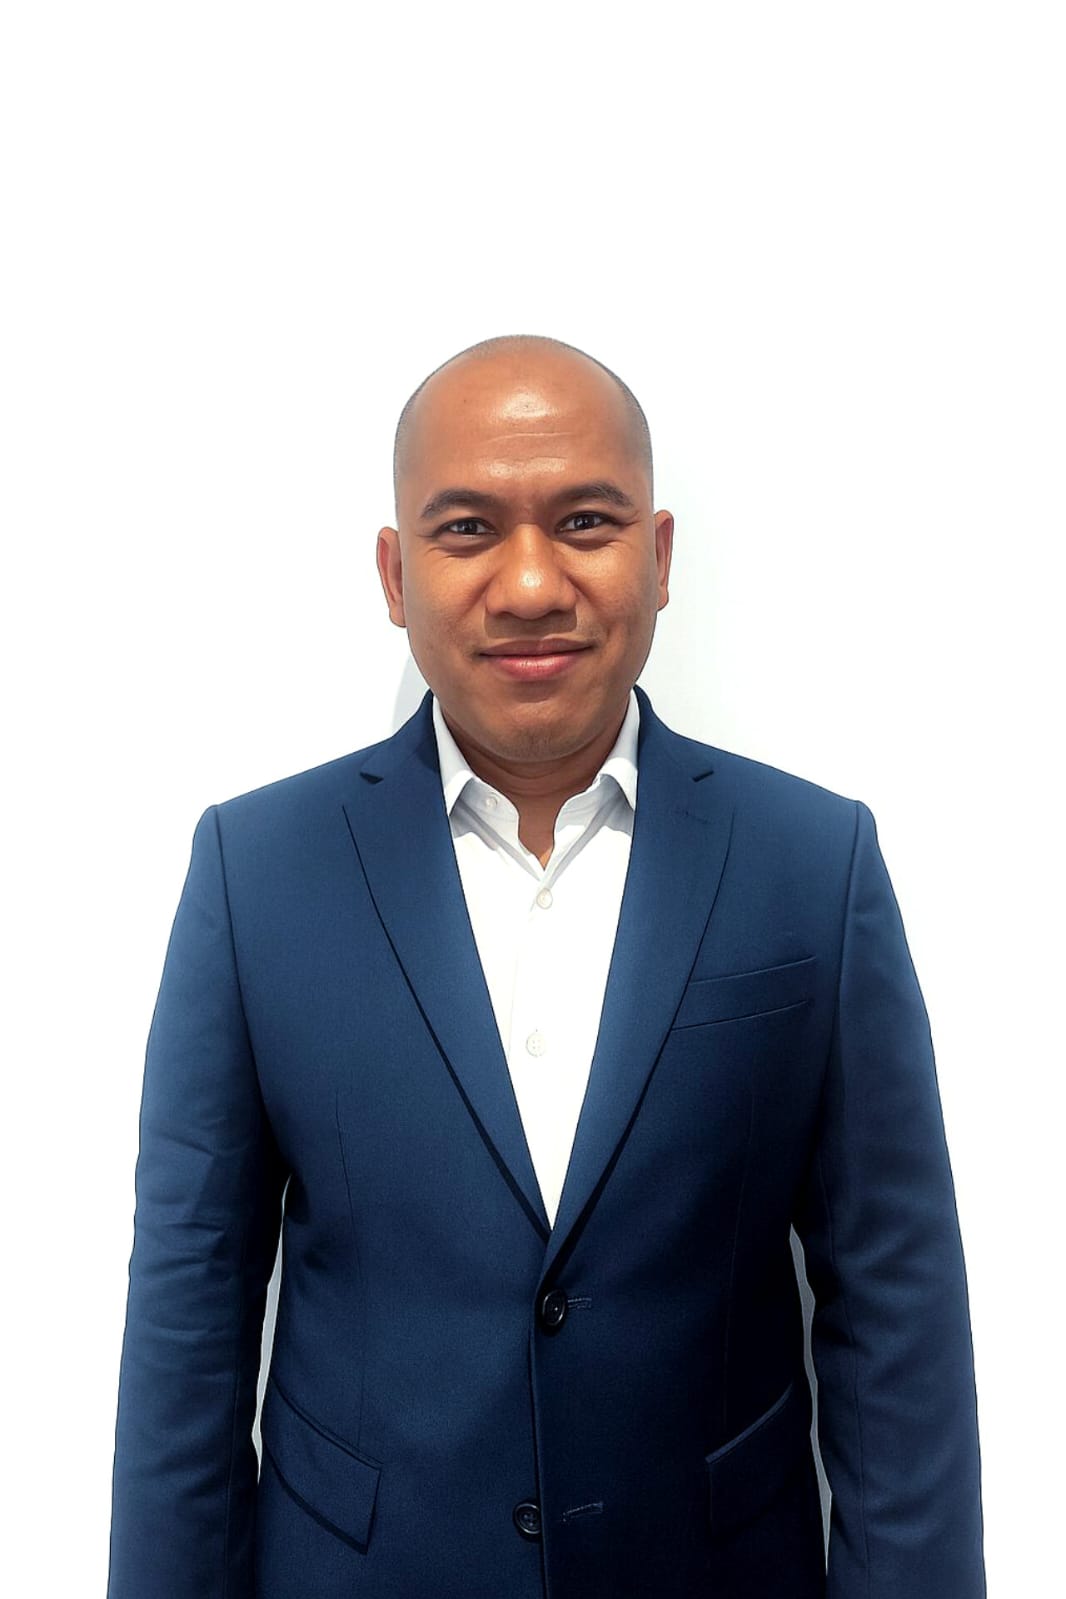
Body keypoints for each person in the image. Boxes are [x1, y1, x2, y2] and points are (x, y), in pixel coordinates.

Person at [107, 334, 985, 1599]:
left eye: (584, 521)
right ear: (395, 573)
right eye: (467, 529)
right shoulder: (257, 873)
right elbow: (187, 1320)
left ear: (660, 557)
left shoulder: (812, 861)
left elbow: (896, 1309)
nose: (528, 585)